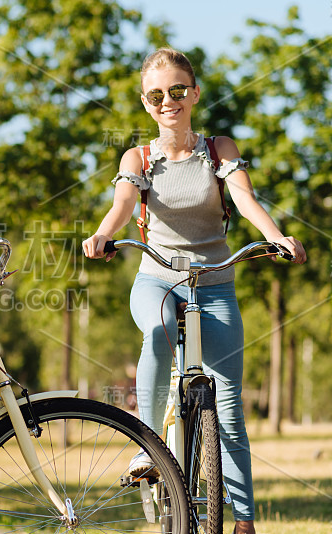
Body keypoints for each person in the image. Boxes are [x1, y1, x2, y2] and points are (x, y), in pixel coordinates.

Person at [82, 48, 306, 534]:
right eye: (157, 94)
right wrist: (102, 234)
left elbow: (244, 199)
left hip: (216, 284)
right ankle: (147, 449)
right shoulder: (138, 157)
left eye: (178, 90)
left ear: (195, 94)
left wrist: (275, 237)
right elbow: (123, 203)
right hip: (157, 280)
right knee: (160, 327)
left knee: (228, 406)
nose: (169, 101)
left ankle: (243, 522)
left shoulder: (218, 149)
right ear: (146, 103)